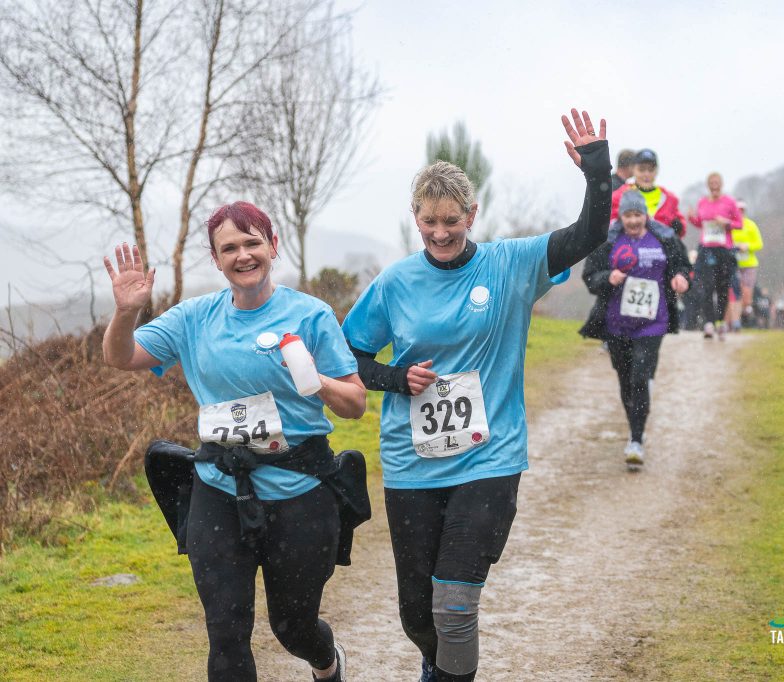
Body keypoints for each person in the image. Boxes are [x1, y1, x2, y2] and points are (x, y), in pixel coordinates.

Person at [341, 109, 611, 682]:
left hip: (489, 457)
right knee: (418, 615)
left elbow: (589, 234)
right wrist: (397, 378)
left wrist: (596, 171)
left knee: (455, 606)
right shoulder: (395, 283)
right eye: (429, 222)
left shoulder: (511, 264)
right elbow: (349, 359)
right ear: (415, 218)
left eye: (451, 220)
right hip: (412, 464)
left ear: (472, 214)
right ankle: (438, 662)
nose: (440, 233)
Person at [102, 202, 367, 682]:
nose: (243, 255)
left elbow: (355, 403)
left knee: (293, 627)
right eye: (229, 248)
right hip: (219, 490)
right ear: (216, 258)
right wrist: (125, 312)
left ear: (273, 246)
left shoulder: (311, 315)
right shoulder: (193, 318)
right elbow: (121, 357)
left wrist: (318, 381)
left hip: (300, 493)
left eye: (252, 243)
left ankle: (327, 663)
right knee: (225, 631)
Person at [579, 190, 690, 468]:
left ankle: (636, 440)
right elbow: (590, 277)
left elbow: (682, 265)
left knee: (640, 376)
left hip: (654, 322)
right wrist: (608, 277)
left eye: (637, 215)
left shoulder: (664, 237)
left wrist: (680, 278)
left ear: (645, 215)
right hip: (616, 323)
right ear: (621, 216)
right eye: (628, 215)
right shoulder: (608, 240)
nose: (633, 221)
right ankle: (634, 427)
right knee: (626, 380)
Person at [687, 172, 742, 340]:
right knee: (707, 286)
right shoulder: (702, 202)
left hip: (724, 249)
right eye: (711, 182)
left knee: (722, 287)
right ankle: (709, 323)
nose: (714, 185)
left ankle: (720, 321)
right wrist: (692, 218)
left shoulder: (729, 202)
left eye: (717, 182)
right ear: (708, 185)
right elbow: (700, 223)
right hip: (706, 248)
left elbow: (739, 223)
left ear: (721, 183)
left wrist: (726, 223)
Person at [610, 148, 687, 237]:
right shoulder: (620, 196)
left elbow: (681, 229)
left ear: (656, 171)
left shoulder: (669, 198)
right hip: (628, 245)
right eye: (641, 170)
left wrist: (678, 227)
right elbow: (610, 225)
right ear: (633, 170)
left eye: (651, 170)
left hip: (660, 245)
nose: (646, 174)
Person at [728, 200, 764, 330]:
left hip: (749, 264)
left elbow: (759, 244)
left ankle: (746, 312)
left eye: (742, 210)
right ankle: (734, 320)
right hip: (733, 264)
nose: (740, 212)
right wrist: (734, 247)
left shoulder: (750, 225)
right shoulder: (730, 225)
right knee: (734, 292)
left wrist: (747, 246)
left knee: (746, 292)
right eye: (737, 210)